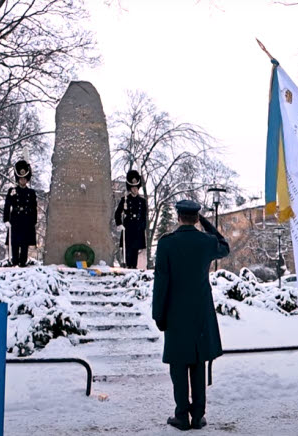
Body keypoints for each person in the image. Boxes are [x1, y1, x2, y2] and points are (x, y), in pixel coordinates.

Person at [152, 199, 230, 430]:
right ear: (196, 218)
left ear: (178, 217)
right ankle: (198, 415)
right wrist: (207, 224)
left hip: (175, 313)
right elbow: (224, 246)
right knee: (198, 362)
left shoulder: (166, 244)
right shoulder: (206, 242)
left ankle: (181, 415)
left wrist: (158, 313)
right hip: (200, 313)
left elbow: (161, 281)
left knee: (178, 364)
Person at [2, 160, 37, 267]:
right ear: (18, 179)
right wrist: (6, 220)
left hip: (26, 220)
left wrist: (33, 222)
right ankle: (14, 261)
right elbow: (7, 206)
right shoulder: (12, 191)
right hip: (15, 220)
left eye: (25, 179)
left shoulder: (31, 193)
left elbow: (34, 208)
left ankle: (23, 262)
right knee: (15, 243)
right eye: (21, 179)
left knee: (24, 243)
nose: (23, 181)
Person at [114, 169, 149, 269]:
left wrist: (143, 226)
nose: (134, 189)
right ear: (130, 188)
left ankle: (134, 267)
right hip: (128, 227)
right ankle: (128, 267)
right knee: (128, 249)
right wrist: (119, 224)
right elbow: (118, 213)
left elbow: (144, 215)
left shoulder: (142, 201)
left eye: (136, 187)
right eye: (133, 187)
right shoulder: (125, 199)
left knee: (135, 249)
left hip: (138, 228)